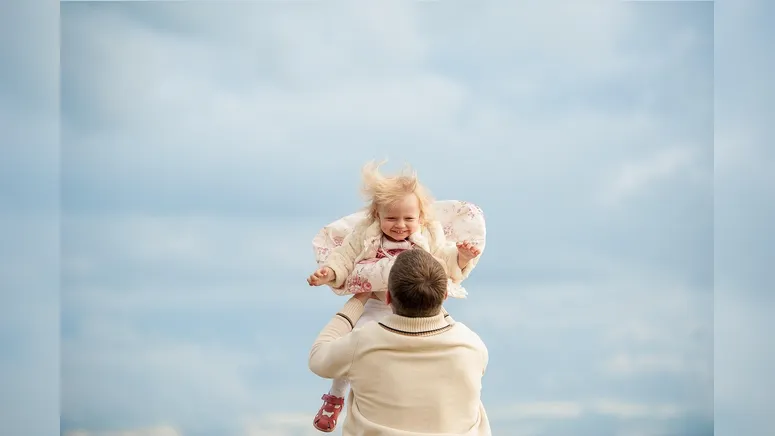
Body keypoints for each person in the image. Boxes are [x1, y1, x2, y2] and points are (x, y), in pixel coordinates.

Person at [306, 161, 482, 432]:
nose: (400, 226)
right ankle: (336, 395)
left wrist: (461, 256)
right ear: (376, 215)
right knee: (354, 341)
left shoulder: (428, 235)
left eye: (408, 219)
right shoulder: (365, 235)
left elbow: (443, 261)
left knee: (353, 350)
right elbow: (345, 258)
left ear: (421, 217)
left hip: (417, 305)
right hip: (377, 302)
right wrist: (329, 272)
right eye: (391, 218)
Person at [308, 248, 492, 435]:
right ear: (445, 295)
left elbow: (317, 358)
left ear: (387, 297)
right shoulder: (471, 346)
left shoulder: (364, 343)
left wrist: (359, 297)